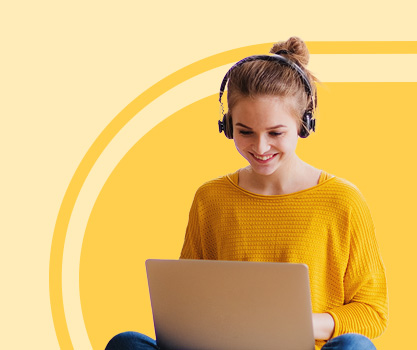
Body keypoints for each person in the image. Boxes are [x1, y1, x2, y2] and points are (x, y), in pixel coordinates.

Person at [106, 36, 388, 350]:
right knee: (127, 343)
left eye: (275, 132)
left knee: (356, 347)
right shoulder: (210, 199)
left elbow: (372, 312)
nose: (260, 146)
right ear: (227, 126)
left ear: (303, 125)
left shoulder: (342, 201)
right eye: (245, 132)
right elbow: (187, 304)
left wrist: (299, 323)